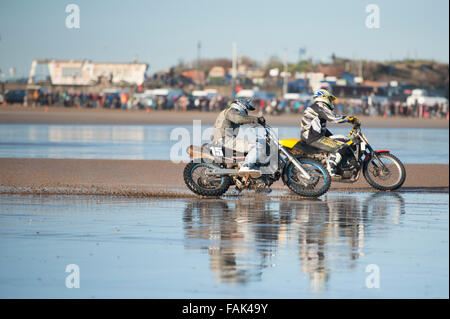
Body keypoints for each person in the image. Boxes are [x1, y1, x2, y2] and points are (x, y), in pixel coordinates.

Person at [300, 89, 359, 176]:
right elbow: (333, 118)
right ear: (324, 97)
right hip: (313, 138)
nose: (331, 102)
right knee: (339, 146)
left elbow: (320, 129)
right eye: (330, 99)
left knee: (340, 140)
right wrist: (349, 119)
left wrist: (332, 137)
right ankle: (330, 170)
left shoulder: (316, 107)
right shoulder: (320, 106)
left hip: (312, 137)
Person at [211, 97, 267, 176]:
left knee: (251, 146)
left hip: (225, 140)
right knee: (255, 146)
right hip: (224, 140)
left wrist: (256, 123)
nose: (247, 111)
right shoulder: (231, 112)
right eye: (247, 108)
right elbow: (239, 119)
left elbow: (243, 120)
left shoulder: (230, 112)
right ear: (242, 105)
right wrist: (257, 119)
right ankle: (246, 166)